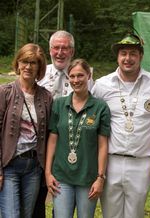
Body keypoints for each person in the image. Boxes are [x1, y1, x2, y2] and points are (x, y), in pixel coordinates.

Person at [92, 32, 150, 218]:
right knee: (111, 214)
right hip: (110, 162)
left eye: (133, 53)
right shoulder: (102, 85)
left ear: (141, 56)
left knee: (135, 214)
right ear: (117, 57)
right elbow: (91, 123)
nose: (128, 58)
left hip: (141, 163)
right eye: (123, 53)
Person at [35, 30, 93, 217]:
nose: (60, 52)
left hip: (74, 149)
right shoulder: (39, 75)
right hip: (41, 146)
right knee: (38, 199)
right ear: (50, 50)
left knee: (68, 200)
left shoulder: (84, 77)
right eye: (56, 48)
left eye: (65, 48)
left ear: (72, 51)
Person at [45, 58, 110, 217]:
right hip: (61, 177)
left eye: (80, 75)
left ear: (89, 75)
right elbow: (52, 139)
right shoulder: (59, 104)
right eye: (72, 76)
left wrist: (100, 177)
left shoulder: (100, 107)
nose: (76, 80)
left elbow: (103, 145)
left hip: (88, 178)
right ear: (68, 78)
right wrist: (48, 172)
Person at [0, 43, 52, 218]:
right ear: (18, 63)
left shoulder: (46, 97)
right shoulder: (5, 92)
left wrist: (47, 169)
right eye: (24, 61)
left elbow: (49, 135)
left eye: (33, 63)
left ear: (40, 67)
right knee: (11, 214)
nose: (28, 67)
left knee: (26, 214)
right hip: (10, 166)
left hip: (34, 168)